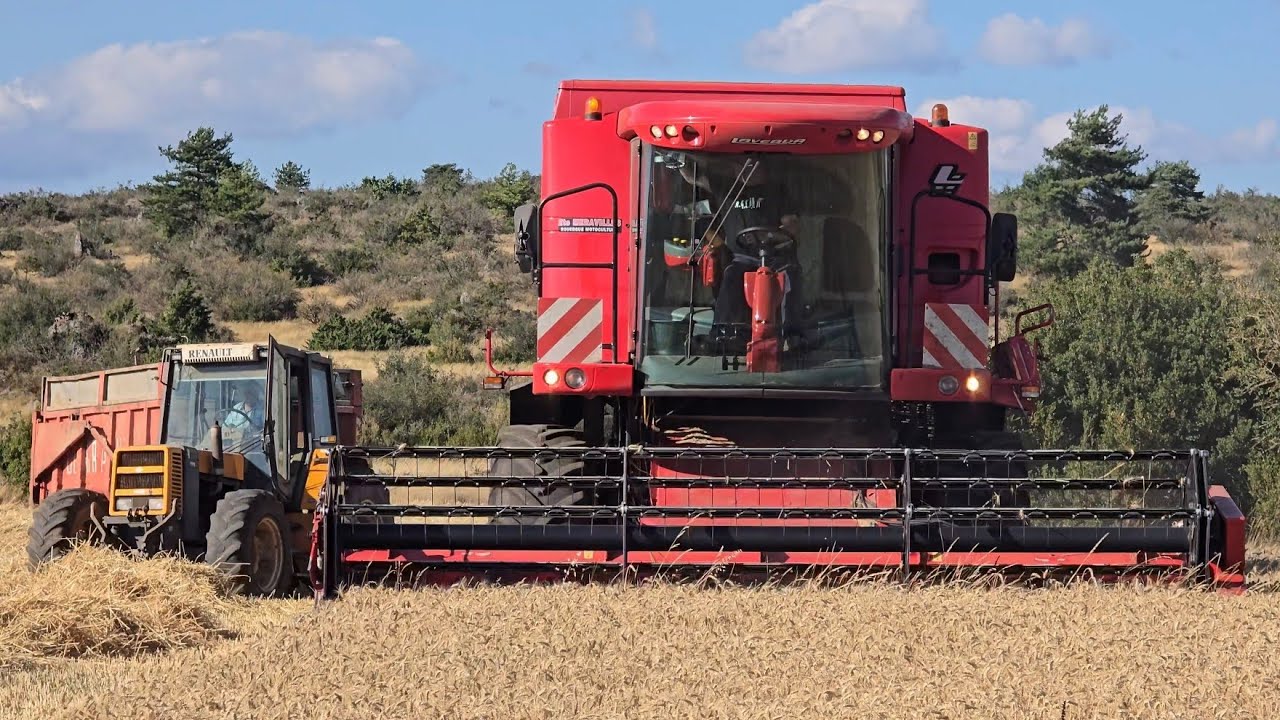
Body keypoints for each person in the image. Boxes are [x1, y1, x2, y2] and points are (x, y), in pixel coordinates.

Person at [706, 159, 805, 346]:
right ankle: (724, 332)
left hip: (776, 257)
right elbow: (691, 176)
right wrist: (679, 161)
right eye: (741, 163)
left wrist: (770, 235)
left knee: (790, 274)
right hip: (742, 257)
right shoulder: (725, 188)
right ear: (733, 167)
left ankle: (793, 334)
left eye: (754, 165)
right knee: (731, 275)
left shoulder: (778, 191)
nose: (747, 168)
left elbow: (791, 225)